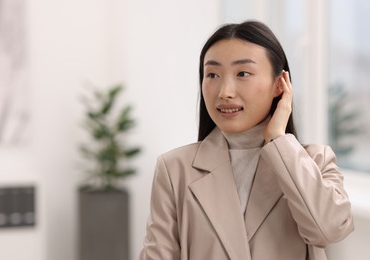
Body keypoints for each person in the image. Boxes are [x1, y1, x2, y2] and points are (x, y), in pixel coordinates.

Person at [140, 20, 354, 260]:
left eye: (243, 73)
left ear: (279, 85)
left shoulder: (315, 160)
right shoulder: (174, 169)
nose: (225, 92)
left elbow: (329, 231)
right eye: (212, 74)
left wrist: (278, 140)